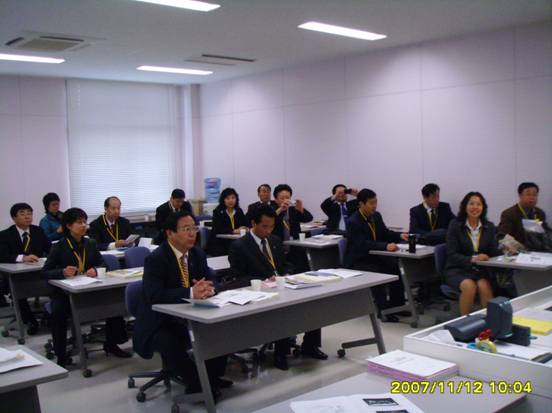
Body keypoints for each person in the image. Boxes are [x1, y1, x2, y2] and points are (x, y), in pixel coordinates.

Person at [133, 211, 229, 399]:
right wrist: (191, 292)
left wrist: (209, 289)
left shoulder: (196, 253)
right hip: (159, 322)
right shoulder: (157, 258)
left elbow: (212, 280)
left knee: (219, 328)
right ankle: (197, 385)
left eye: (194, 228)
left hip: (189, 314)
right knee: (170, 341)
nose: (193, 233)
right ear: (170, 233)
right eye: (186, 229)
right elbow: (154, 295)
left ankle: (211, 378)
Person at [228, 205, 327, 370]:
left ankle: (310, 345)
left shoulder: (274, 240)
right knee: (283, 309)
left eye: (272, 226)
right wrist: (264, 280)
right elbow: (237, 278)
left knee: (312, 301)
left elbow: (285, 265)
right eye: (264, 226)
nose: (268, 230)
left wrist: (287, 274)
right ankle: (281, 353)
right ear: (253, 223)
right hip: (260, 292)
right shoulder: (240, 245)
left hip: (282, 285)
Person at [42, 208, 131, 367]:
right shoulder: (59, 246)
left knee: (113, 302)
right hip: (65, 292)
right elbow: (45, 271)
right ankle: (61, 355)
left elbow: (102, 264)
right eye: (79, 222)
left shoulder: (90, 243)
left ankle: (111, 344)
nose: (84, 225)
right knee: (58, 312)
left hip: (90, 288)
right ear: (69, 226)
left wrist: (95, 270)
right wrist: (62, 272)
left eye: (85, 222)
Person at [344, 189, 409, 322]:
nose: (374, 206)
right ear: (361, 204)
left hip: (375, 256)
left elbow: (385, 233)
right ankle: (383, 311)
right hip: (359, 260)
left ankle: (398, 306)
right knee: (378, 272)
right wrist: (385, 246)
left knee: (395, 268)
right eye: (371, 203)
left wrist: (399, 235)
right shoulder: (353, 222)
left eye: (376, 202)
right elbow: (362, 244)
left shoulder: (376, 216)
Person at [444, 192, 502, 315]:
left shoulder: (489, 227)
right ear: (465, 206)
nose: (475, 207)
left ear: (483, 208)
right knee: (469, 286)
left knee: (484, 286)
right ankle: (465, 322)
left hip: (479, 270)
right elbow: (451, 254)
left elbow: (493, 251)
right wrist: (472, 259)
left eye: (479, 204)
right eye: (471, 204)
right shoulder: (455, 225)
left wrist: (506, 250)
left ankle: (491, 322)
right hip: (457, 268)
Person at [0, 203, 51, 333]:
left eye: (29, 213)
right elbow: (2, 256)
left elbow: (50, 249)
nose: (27, 216)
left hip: (38, 273)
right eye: (22, 214)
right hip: (16, 277)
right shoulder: (5, 235)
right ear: (14, 218)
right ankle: (30, 321)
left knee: (56, 286)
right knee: (19, 292)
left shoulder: (38, 231)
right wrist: (22, 258)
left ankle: (51, 316)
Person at [272, 184, 313, 272]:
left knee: (300, 269)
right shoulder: (272, 209)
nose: (285, 200)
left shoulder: (293, 209)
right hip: (278, 246)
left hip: (294, 245)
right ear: (276, 199)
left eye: (287, 197)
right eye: (282, 198)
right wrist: (280, 209)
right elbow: (270, 220)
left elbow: (309, 218)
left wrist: (301, 209)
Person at [497, 182, 550, 250]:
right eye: (528, 194)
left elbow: (544, 234)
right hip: (517, 251)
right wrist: (520, 248)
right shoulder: (509, 213)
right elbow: (502, 236)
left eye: (535, 195)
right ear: (520, 196)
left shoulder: (539, 213)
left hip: (537, 251)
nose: (532, 197)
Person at [207, 188, 248, 257]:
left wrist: (245, 228)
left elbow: (245, 224)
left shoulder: (239, 211)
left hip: (235, 241)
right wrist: (234, 231)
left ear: (236, 199)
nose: (230, 200)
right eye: (227, 198)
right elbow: (217, 229)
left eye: (233, 198)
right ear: (223, 200)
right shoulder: (218, 212)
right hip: (220, 243)